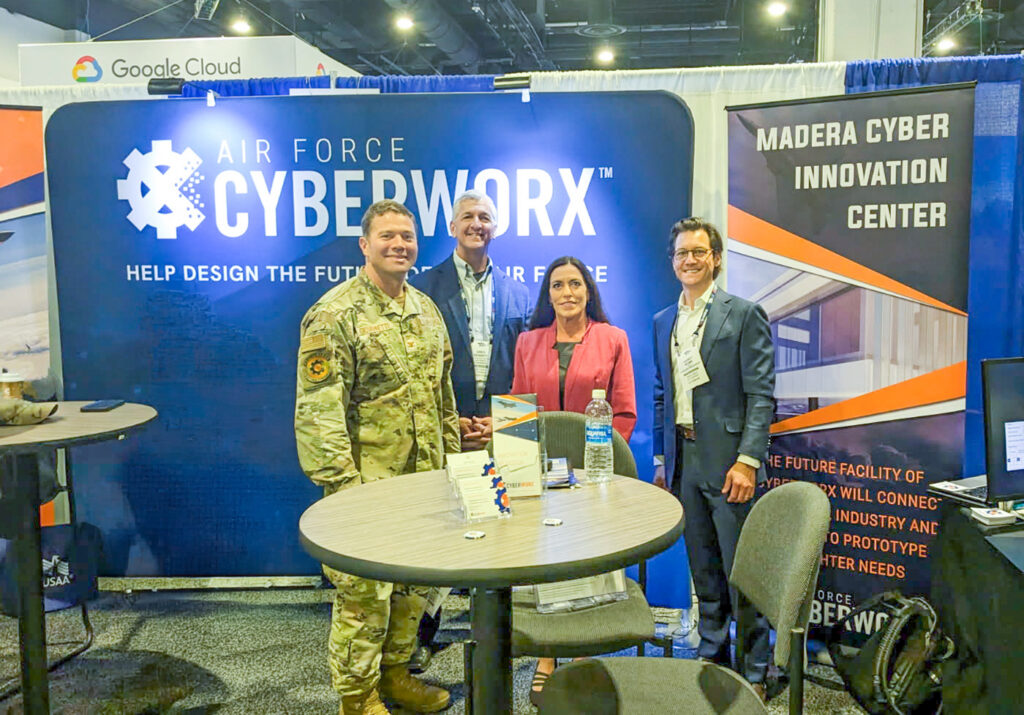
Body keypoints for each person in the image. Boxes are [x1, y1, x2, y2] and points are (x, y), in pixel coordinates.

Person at [294, 199, 461, 715]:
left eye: (407, 237)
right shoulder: (335, 313)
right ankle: (357, 697)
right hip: (366, 488)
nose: (399, 245)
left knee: (412, 589)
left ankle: (396, 676)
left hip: (423, 484)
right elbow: (319, 410)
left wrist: (452, 471)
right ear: (365, 245)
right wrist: (343, 492)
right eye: (387, 236)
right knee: (364, 600)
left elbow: (444, 398)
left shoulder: (425, 310)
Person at [652, 217, 775, 697]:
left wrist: (748, 460)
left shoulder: (743, 314)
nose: (689, 260)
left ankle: (756, 671)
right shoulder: (665, 320)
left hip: (729, 463)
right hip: (684, 459)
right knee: (702, 568)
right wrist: (664, 461)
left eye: (698, 252)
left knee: (740, 572)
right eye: (682, 253)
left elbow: (762, 396)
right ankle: (711, 656)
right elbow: (663, 393)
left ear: (716, 259)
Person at [409, 190, 531, 670]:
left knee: (504, 530)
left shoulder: (520, 293)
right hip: (448, 424)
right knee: (439, 534)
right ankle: (422, 634)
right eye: (467, 217)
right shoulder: (424, 287)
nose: (476, 224)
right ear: (453, 226)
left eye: (485, 217)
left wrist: (501, 422)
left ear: (494, 228)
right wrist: (452, 418)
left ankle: (498, 635)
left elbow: (526, 367)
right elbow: (418, 367)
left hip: (506, 430)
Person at [511, 256, 637, 703]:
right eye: (559, 285)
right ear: (548, 294)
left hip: (595, 473)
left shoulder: (613, 338)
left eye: (576, 284)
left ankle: (583, 650)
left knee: (587, 559)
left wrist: (594, 466)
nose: (568, 292)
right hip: (542, 474)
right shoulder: (528, 342)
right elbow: (518, 410)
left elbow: (623, 411)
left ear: (588, 291)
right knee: (546, 559)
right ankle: (547, 653)